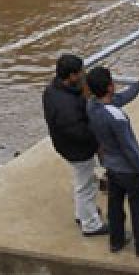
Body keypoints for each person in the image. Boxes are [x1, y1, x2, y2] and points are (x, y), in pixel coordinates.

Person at [86, 67, 139, 257]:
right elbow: (129, 148)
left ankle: (116, 241)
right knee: (137, 208)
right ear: (110, 87)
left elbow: (120, 99)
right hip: (129, 171)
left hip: (111, 167)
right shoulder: (116, 117)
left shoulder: (91, 106)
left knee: (115, 206)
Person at [42, 54, 107, 237]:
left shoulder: (51, 91)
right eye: (80, 73)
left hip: (65, 146)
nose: (83, 76)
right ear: (71, 76)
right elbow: (80, 133)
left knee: (82, 181)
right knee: (85, 185)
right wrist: (98, 142)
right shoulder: (67, 107)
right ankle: (91, 225)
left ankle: (83, 214)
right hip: (77, 150)